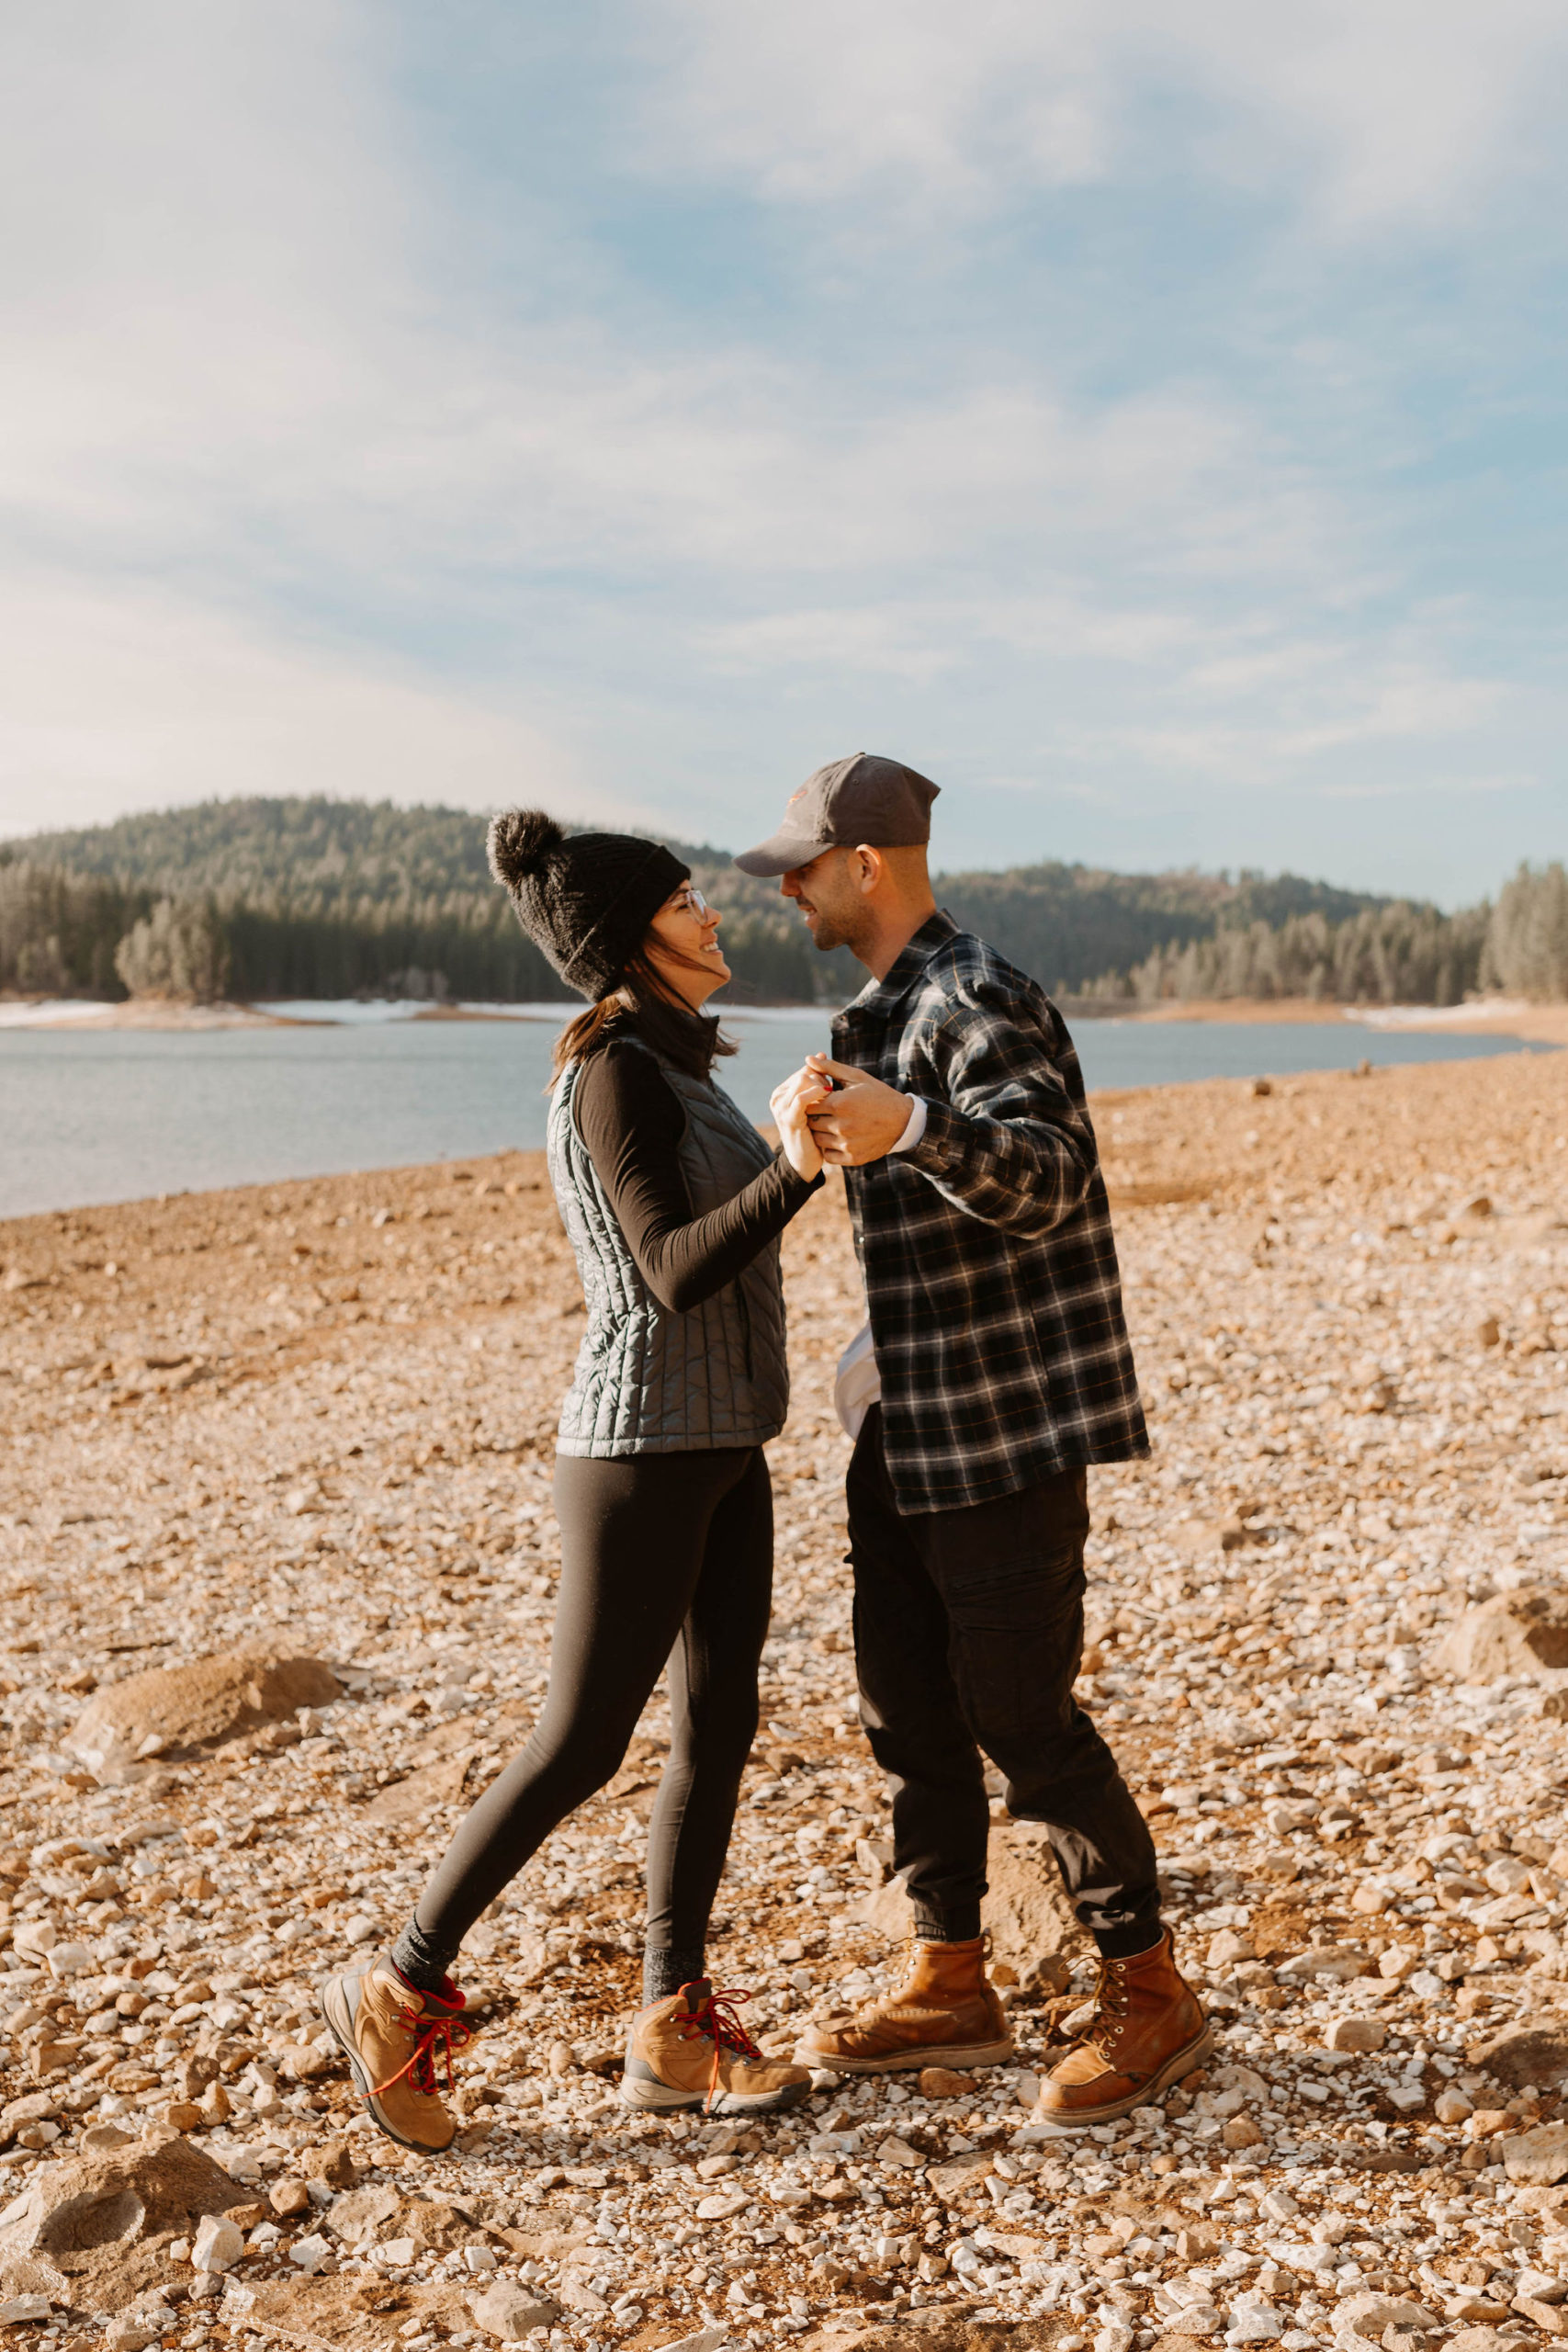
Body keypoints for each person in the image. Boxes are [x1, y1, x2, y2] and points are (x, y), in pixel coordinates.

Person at [320, 809, 828, 2152]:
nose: (712, 916)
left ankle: (672, 2024)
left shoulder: (681, 1066)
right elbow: (669, 1271)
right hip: (637, 1453)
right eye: (683, 902)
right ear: (625, 937)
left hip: (725, 1442)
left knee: (720, 1724)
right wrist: (798, 1171)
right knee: (582, 1743)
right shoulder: (612, 1072)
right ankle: (397, 1982)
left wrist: (793, 1147)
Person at [735, 753, 1211, 2123]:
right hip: (904, 1420)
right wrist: (816, 1139)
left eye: (799, 865)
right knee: (906, 1711)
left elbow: (1050, 1178)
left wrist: (916, 1126)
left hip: (1001, 1434)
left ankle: (1159, 1999)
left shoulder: (977, 993)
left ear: (865, 865)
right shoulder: (874, 1010)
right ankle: (950, 1973)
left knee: (1023, 1718)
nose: (782, 885)